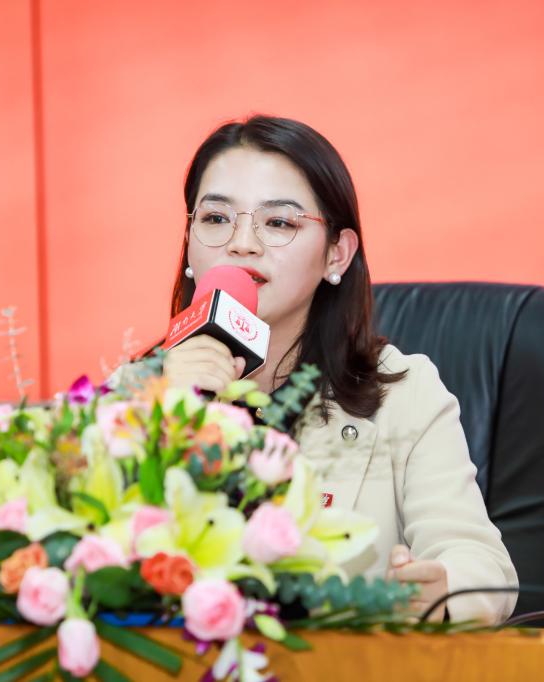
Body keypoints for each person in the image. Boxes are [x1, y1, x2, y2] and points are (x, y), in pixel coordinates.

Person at [149, 115, 517, 623]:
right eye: (215, 218)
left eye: (278, 222)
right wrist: (162, 418)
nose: (241, 242)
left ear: (336, 255)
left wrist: (441, 589)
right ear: (189, 241)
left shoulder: (402, 394)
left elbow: (482, 565)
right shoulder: (137, 391)